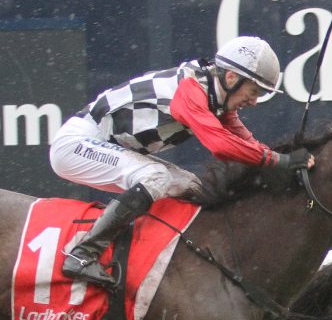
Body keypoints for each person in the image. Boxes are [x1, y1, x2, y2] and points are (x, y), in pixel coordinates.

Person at [50, 36, 315, 288]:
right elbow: (222, 146)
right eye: (254, 91)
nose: (255, 101)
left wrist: (285, 160)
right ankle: (82, 254)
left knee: (192, 187)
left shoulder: (215, 94)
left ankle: (162, 256)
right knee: (156, 176)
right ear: (231, 78)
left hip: (103, 145)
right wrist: (279, 161)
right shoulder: (190, 90)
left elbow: (247, 143)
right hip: (76, 144)